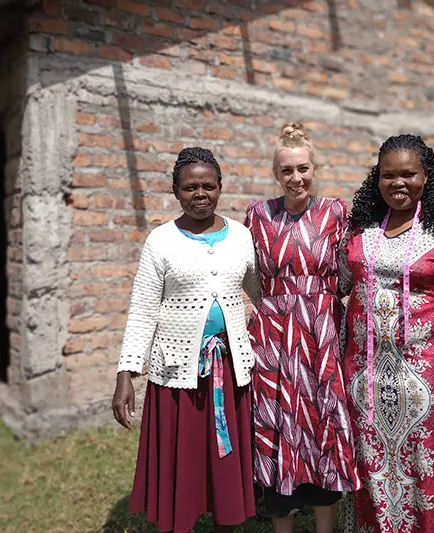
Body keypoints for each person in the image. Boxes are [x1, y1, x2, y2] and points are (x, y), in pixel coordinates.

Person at [339, 134, 434, 533]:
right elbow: (336, 285)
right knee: (371, 463)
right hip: (365, 377)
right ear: (378, 179)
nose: (398, 183)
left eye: (408, 173)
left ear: (426, 176)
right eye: (388, 175)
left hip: (426, 379)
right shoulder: (360, 230)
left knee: (427, 464)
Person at [112, 147, 261, 533]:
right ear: (175, 191)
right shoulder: (161, 241)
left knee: (223, 464)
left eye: (208, 186)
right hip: (178, 374)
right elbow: (143, 309)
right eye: (190, 187)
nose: (200, 194)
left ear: (220, 189)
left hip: (229, 371)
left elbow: (262, 295)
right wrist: (126, 373)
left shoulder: (241, 237)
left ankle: (225, 524)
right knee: (184, 464)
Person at [245, 123, 360, 533]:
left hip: (320, 334)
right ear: (276, 174)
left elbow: (347, 275)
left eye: (303, 168)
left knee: (321, 421)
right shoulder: (258, 215)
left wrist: (320, 304)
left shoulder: (335, 212)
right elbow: (250, 274)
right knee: (277, 425)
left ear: (315, 169)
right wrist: (273, 310)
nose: (296, 178)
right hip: (274, 336)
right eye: (287, 170)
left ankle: (325, 527)